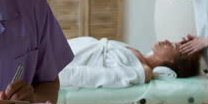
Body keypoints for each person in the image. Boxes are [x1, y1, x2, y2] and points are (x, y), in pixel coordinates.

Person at [59, 37, 200, 88]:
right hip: (67, 47)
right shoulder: (140, 55)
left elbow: (93, 76)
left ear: (170, 61)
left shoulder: (141, 71)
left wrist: (54, 73)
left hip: (65, 61)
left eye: (172, 46)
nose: (166, 41)